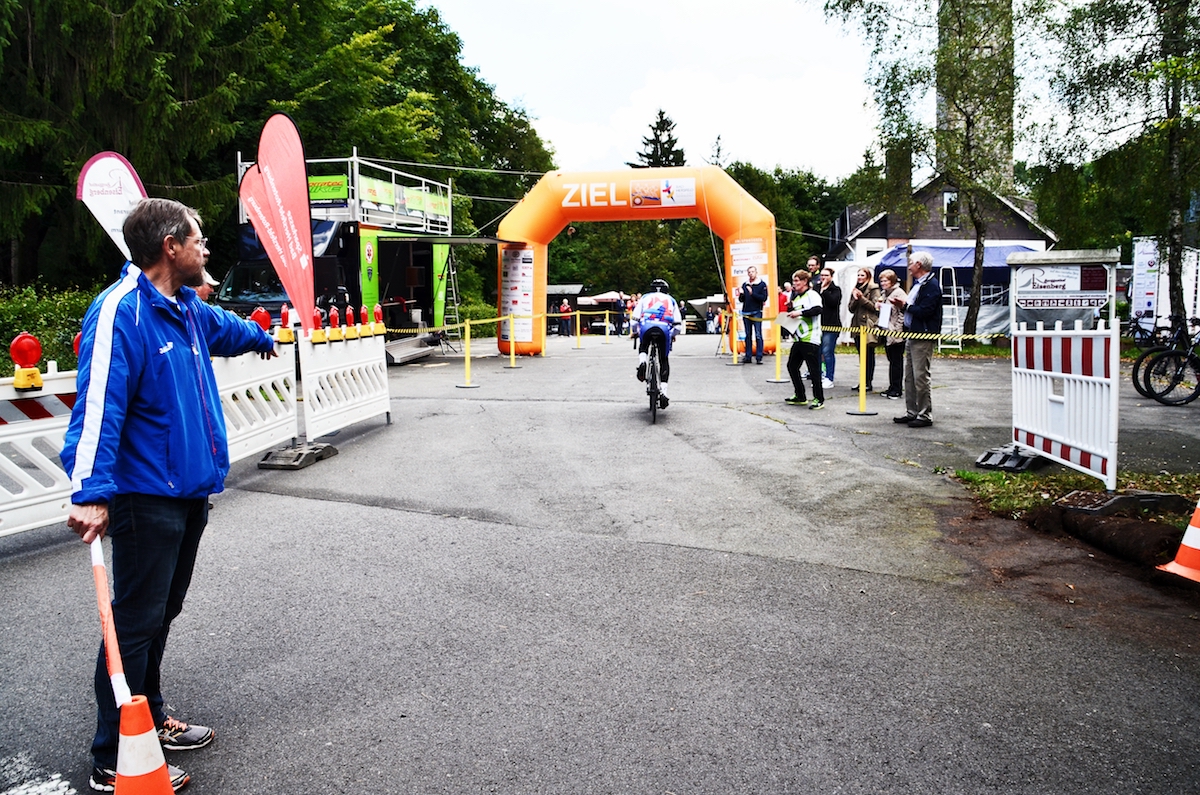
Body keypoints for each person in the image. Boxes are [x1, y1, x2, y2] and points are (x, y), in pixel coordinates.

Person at [60, 198, 278, 792]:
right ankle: (114, 754)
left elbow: (227, 329)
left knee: (162, 613)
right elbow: (98, 407)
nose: (206, 248)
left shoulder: (185, 307)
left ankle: (149, 718)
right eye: (198, 239)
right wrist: (90, 490)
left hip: (187, 493)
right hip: (143, 496)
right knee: (133, 623)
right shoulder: (121, 313)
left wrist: (263, 336)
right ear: (170, 246)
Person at [893, 251, 943, 428]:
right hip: (913, 334)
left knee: (921, 376)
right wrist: (904, 307)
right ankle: (912, 411)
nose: (909, 266)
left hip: (923, 335)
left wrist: (905, 306)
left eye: (911, 263)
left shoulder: (931, 286)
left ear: (919, 265)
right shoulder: (919, 284)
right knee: (910, 377)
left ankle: (924, 414)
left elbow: (925, 311)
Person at [633, 278, 682, 409]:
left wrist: (635, 332)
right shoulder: (671, 300)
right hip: (664, 329)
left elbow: (634, 320)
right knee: (663, 360)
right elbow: (678, 325)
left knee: (643, 345)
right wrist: (672, 335)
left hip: (646, 326)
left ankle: (642, 362)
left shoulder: (644, 298)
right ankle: (664, 392)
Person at [784, 269, 825, 409]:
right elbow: (796, 316)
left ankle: (819, 398)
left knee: (814, 369)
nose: (794, 284)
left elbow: (818, 310)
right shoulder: (796, 298)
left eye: (797, 281)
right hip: (799, 338)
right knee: (792, 366)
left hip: (811, 337)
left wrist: (799, 312)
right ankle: (800, 395)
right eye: (793, 281)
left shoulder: (812, 294)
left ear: (805, 281)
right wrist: (790, 311)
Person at [846, 266, 882, 392]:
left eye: (862, 275)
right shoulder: (855, 289)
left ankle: (868, 382)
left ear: (868, 276)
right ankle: (862, 381)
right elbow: (850, 308)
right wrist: (856, 299)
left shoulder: (874, 289)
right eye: (858, 275)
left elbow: (875, 307)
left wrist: (861, 298)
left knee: (868, 355)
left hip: (867, 326)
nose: (860, 277)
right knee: (861, 356)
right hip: (857, 326)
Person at [875, 268, 907, 399]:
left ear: (892, 281)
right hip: (886, 331)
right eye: (881, 281)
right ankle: (892, 386)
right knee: (891, 360)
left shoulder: (899, 293)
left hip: (896, 332)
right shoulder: (884, 294)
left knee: (896, 361)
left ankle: (897, 389)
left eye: (885, 281)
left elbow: (902, 313)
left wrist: (897, 330)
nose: (883, 283)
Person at [816, 263, 842, 389]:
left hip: (831, 325)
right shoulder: (815, 288)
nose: (823, 277)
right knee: (818, 351)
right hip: (818, 325)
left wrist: (824, 291)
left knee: (827, 352)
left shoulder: (835, 290)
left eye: (826, 275)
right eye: (822, 275)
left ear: (831, 277)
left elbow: (833, 302)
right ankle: (819, 374)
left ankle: (829, 377)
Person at [737, 265, 768, 364]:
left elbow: (763, 298)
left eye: (752, 272)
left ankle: (759, 357)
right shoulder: (745, 284)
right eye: (749, 272)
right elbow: (741, 300)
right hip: (746, 311)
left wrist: (752, 293)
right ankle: (748, 356)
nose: (751, 274)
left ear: (756, 272)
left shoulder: (762, 284)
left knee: (758, 334)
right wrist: (741, 294)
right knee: (748, 335)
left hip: (756, 311)